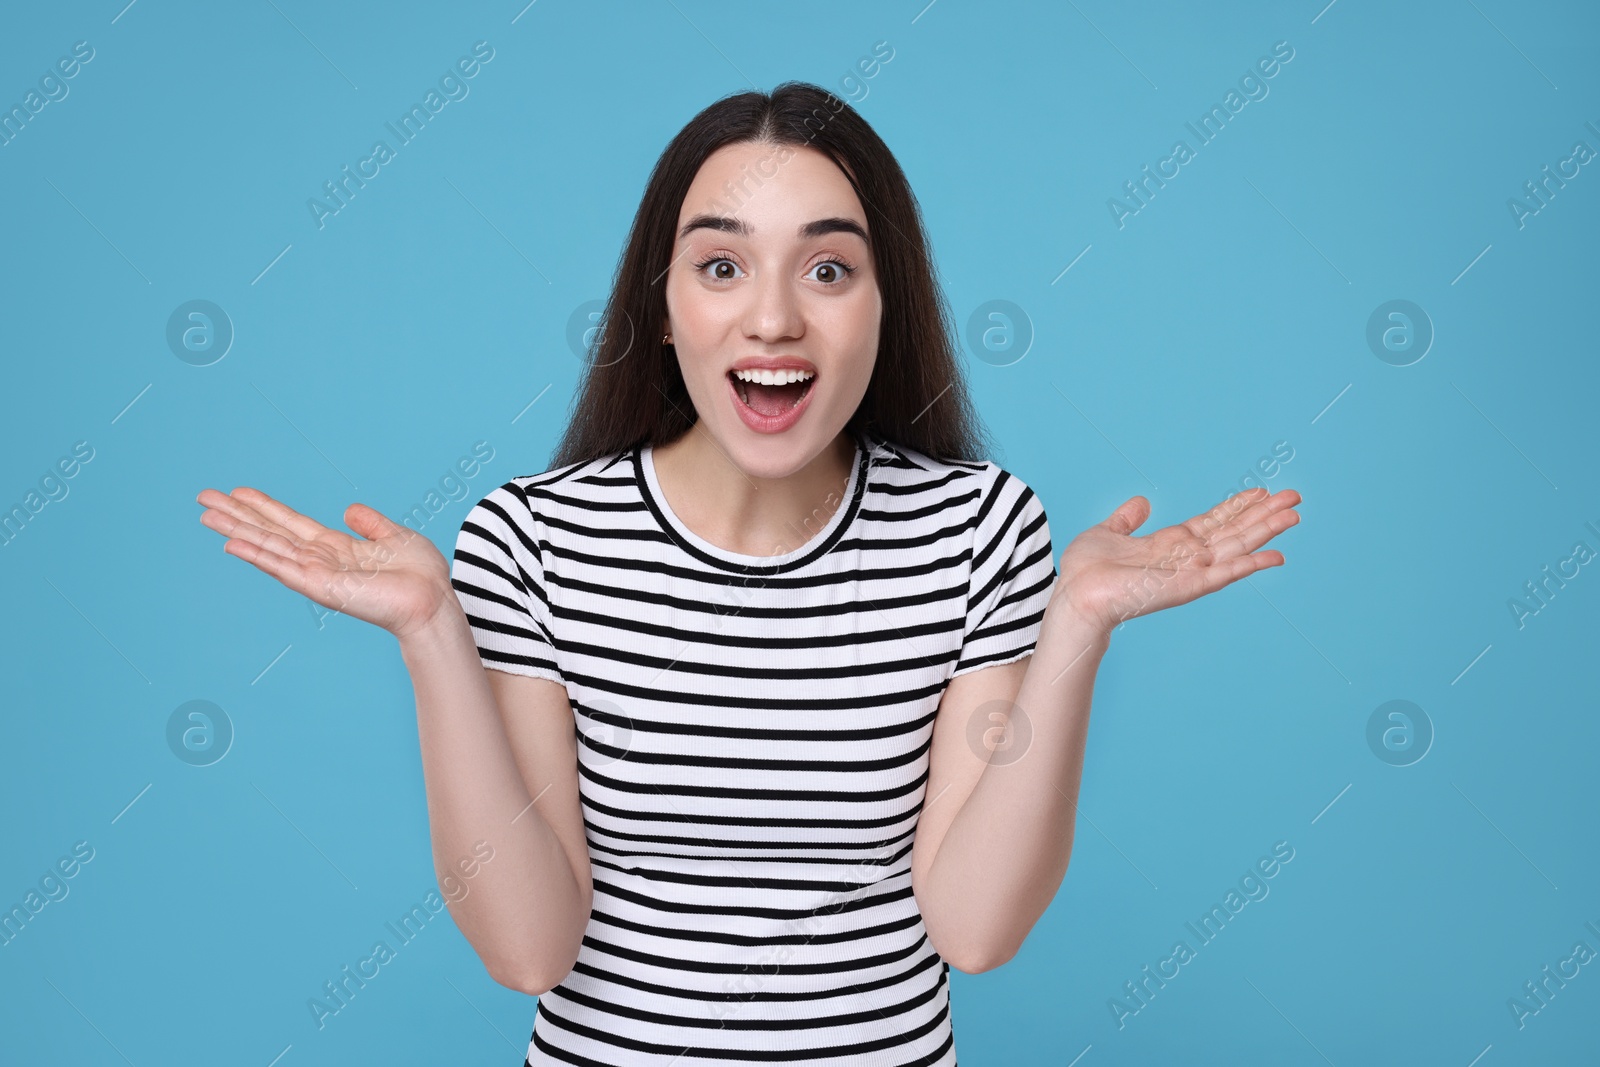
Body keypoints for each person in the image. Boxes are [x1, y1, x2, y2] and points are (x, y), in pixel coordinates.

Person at [196, 81, 1300, 1065]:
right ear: (664, 309)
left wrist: (1077, 629)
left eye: (829, 267)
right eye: (721, 264)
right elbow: (530, 949)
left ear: (885, 304)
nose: (773, 316)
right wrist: (434, 633)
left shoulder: (977, 529)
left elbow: (974, 928)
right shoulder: (531, 542)